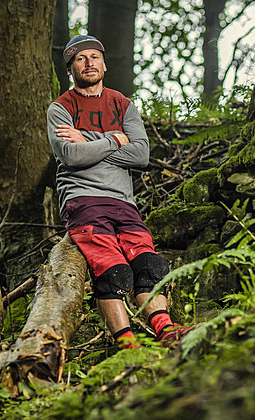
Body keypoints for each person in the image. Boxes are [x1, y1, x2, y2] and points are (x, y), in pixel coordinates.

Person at [47, 35, 189, 349]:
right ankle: (126, 344)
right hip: (83, 199)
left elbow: (140, 155)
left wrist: (86, 141)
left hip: (123, 201)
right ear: (70, 68)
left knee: (149, 264)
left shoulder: (123, 104)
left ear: (104, 64)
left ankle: (166, 330)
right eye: (80, 59)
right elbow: (70, 156)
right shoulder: (60, 108)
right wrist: (113, 139)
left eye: (94, 57)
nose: (89, 63)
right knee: (113, 271)